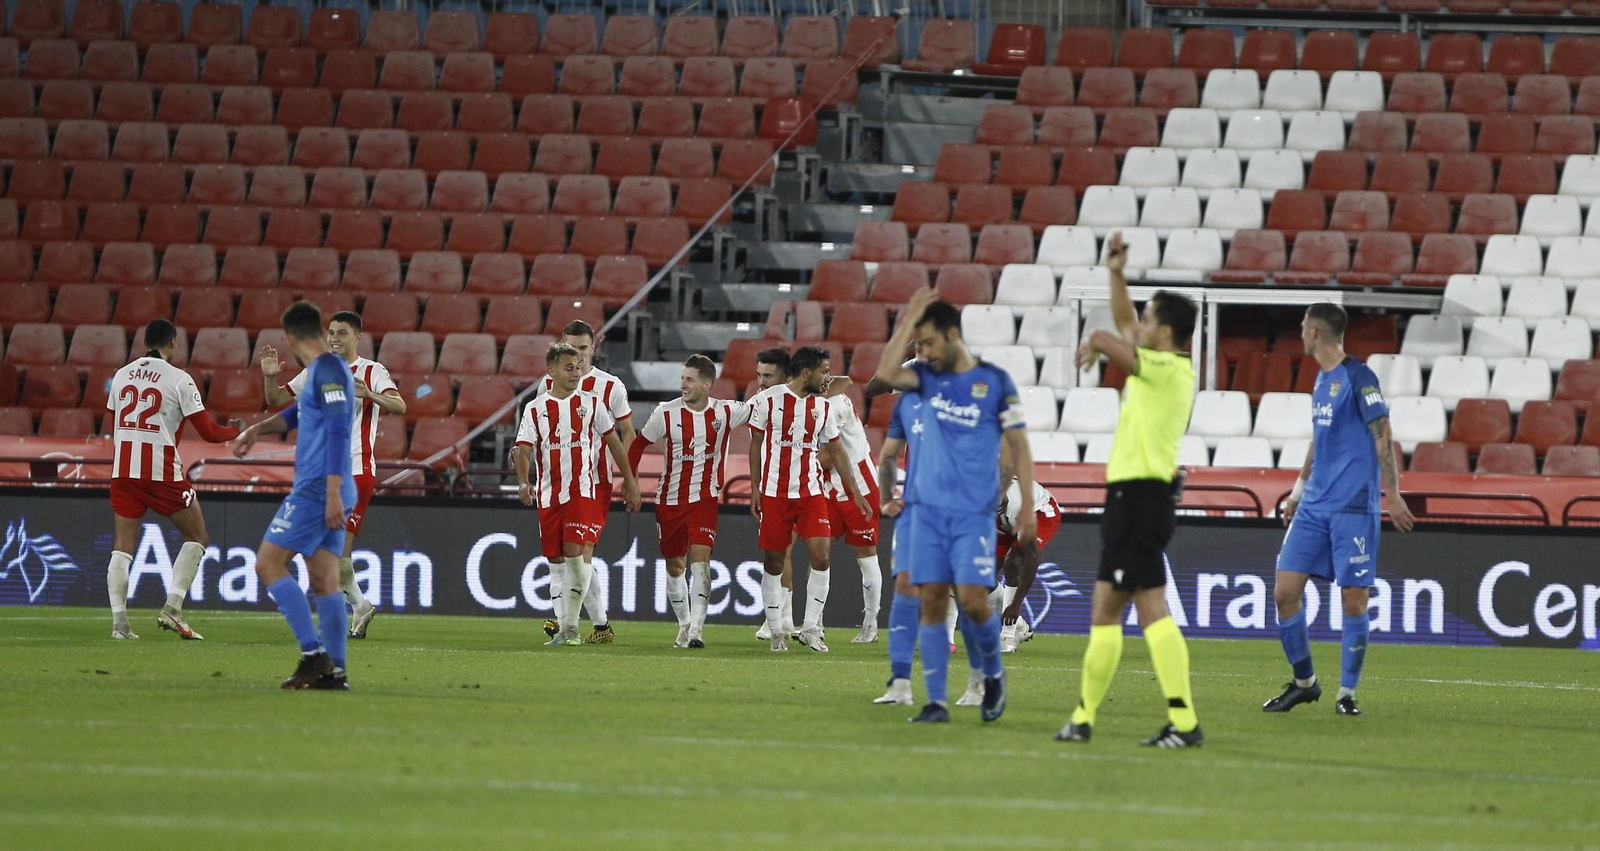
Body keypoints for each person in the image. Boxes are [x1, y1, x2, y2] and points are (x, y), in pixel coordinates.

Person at [1055, 232, 1204, 747]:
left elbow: (1117, 340)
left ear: (1165, 332)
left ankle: (1183, 721)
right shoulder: (1160, 366)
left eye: (1147, 319)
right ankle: (1083, 718)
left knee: (1149, 608)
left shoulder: (1169, 369)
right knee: (1107, 609)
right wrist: (1115, 273)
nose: (1137, 324)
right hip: (1131, 499)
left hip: (1142, 499)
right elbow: (1123, 326)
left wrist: (1096, 339)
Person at [874, 289, 1035, 724]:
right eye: (917, 345)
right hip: (924, 512)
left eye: (927, 343)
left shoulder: (993, 381)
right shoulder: (922, 383)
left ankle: (991, 674)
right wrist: (908, 318)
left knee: (972, 601)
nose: (921, 352)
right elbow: (886, 372)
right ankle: (936, 701)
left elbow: (1017, 443)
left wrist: (1026, 507)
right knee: (930, 599)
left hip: (970, 514)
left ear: (951, 335)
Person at [1265, 303, 1415, 717]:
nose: (1299, 330)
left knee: (1353, 601)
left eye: (1302, 326)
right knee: (1284, 592)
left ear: (1315, 332)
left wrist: (1393, 493)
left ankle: (1346, 694)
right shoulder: (1321, 379)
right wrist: (1296, 493)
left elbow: (1382, 433)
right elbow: (1319, 438)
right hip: (1314, 505)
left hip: (1352, 507)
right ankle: (1304, 683)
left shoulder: (1359, 376)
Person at [231, 302, 357, 690]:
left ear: (288, 339)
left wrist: (332, 492)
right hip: (331, 487)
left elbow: (337, 429)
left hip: (320, 487)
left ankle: (312, 654)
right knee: (324, 579)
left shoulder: (330, 369)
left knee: (268, 564)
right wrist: (259, 429)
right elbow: (298, 413)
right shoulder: (321, 371)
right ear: (318, 331)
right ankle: (335, 671)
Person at [261, 311, 406, 640]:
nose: (335, 339)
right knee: (331, 550)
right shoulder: (317, 370)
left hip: (356, 469)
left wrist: (369, 394)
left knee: (333, 549)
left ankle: (341, 619)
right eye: (332, 333)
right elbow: (276, 400)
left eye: (342, 333)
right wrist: (270, 377)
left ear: (357, 337)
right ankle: (359, 607)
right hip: (323, 473)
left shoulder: (372, 371)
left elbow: (400, 406)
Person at [104, 319, 242, 640]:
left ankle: (120, 625)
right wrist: (236, 429)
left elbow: (116, 420)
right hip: (160, 472)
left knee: (122, 547)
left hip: (123, 471)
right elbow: (209, 433)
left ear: (144, 344)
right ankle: (173, 608)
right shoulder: (180, 379)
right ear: (173, 344)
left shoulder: (121, 376)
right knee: (197, 536)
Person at [515, 342, 643, 646]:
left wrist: (631, 480)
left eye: (578, 367)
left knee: (575, 553)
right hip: (548, 496)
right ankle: (573, 626)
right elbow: (522, 449)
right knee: (556, 561)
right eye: (569, 367)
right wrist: (523, 481)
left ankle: (569, 628)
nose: (576, 373)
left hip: (583, 492)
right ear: (552, 371)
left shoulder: (593, 403)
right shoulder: (535, 408)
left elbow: (614, 443)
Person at [748, 345, 869, 653]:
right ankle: (776, 631)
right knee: (774, 562)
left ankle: (811, 627)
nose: (827, 377)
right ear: (806, 373)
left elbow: (837, 450)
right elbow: (755, 446)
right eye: (823, 371)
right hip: (775, 494)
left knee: (822, 556)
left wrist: (855, 490)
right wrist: (756, 488)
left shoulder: (823, 406)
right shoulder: (767, 401)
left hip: (811, 493)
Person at [628, 355, 749, 649]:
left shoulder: (725, 412)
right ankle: (683, 625)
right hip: (669, 501)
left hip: (704, 500)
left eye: (690, 379)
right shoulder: (665, 414)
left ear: (707, 384)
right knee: (674, 566)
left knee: (701, 560)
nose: (683, 384)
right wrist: (631, 484)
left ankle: (696, 629)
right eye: (683, 378)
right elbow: (637, 446)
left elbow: (766, 407)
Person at [821, 377, 884, 644]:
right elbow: (844, 380)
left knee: (866, 556)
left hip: (860, 485)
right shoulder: (820, 403)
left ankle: (871, 623)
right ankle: (814, 623)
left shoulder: (833, 408)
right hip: (830, 488)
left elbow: (828, 456)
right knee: (818, 549)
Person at [873, 391, 919, 706]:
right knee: (905, 584)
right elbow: (888, 454)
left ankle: (981, 681)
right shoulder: (908, 403)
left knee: (971, 597)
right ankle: (901, 684)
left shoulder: (974, 395)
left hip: (962, 511)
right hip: (917, 509)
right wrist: (885, 500)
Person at [751, 347, 799, 642]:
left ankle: (779, 619)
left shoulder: (806, 400)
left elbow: (843, 381)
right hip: (772, 489)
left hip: (800, 488)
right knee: (780, 553)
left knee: (786, 553)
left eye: (768, 375)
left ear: (785, 375)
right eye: (759, 374)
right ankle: (783, 618)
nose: (762, 380)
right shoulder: (760, 402)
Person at [995, 476, 1060, 654]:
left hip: (1040, 514)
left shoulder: (1020, 505)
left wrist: (1016, 604)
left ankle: (1007, 636)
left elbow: (1031, 558)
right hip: (1002, 520)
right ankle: (1021, 627)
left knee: (1013, 562)